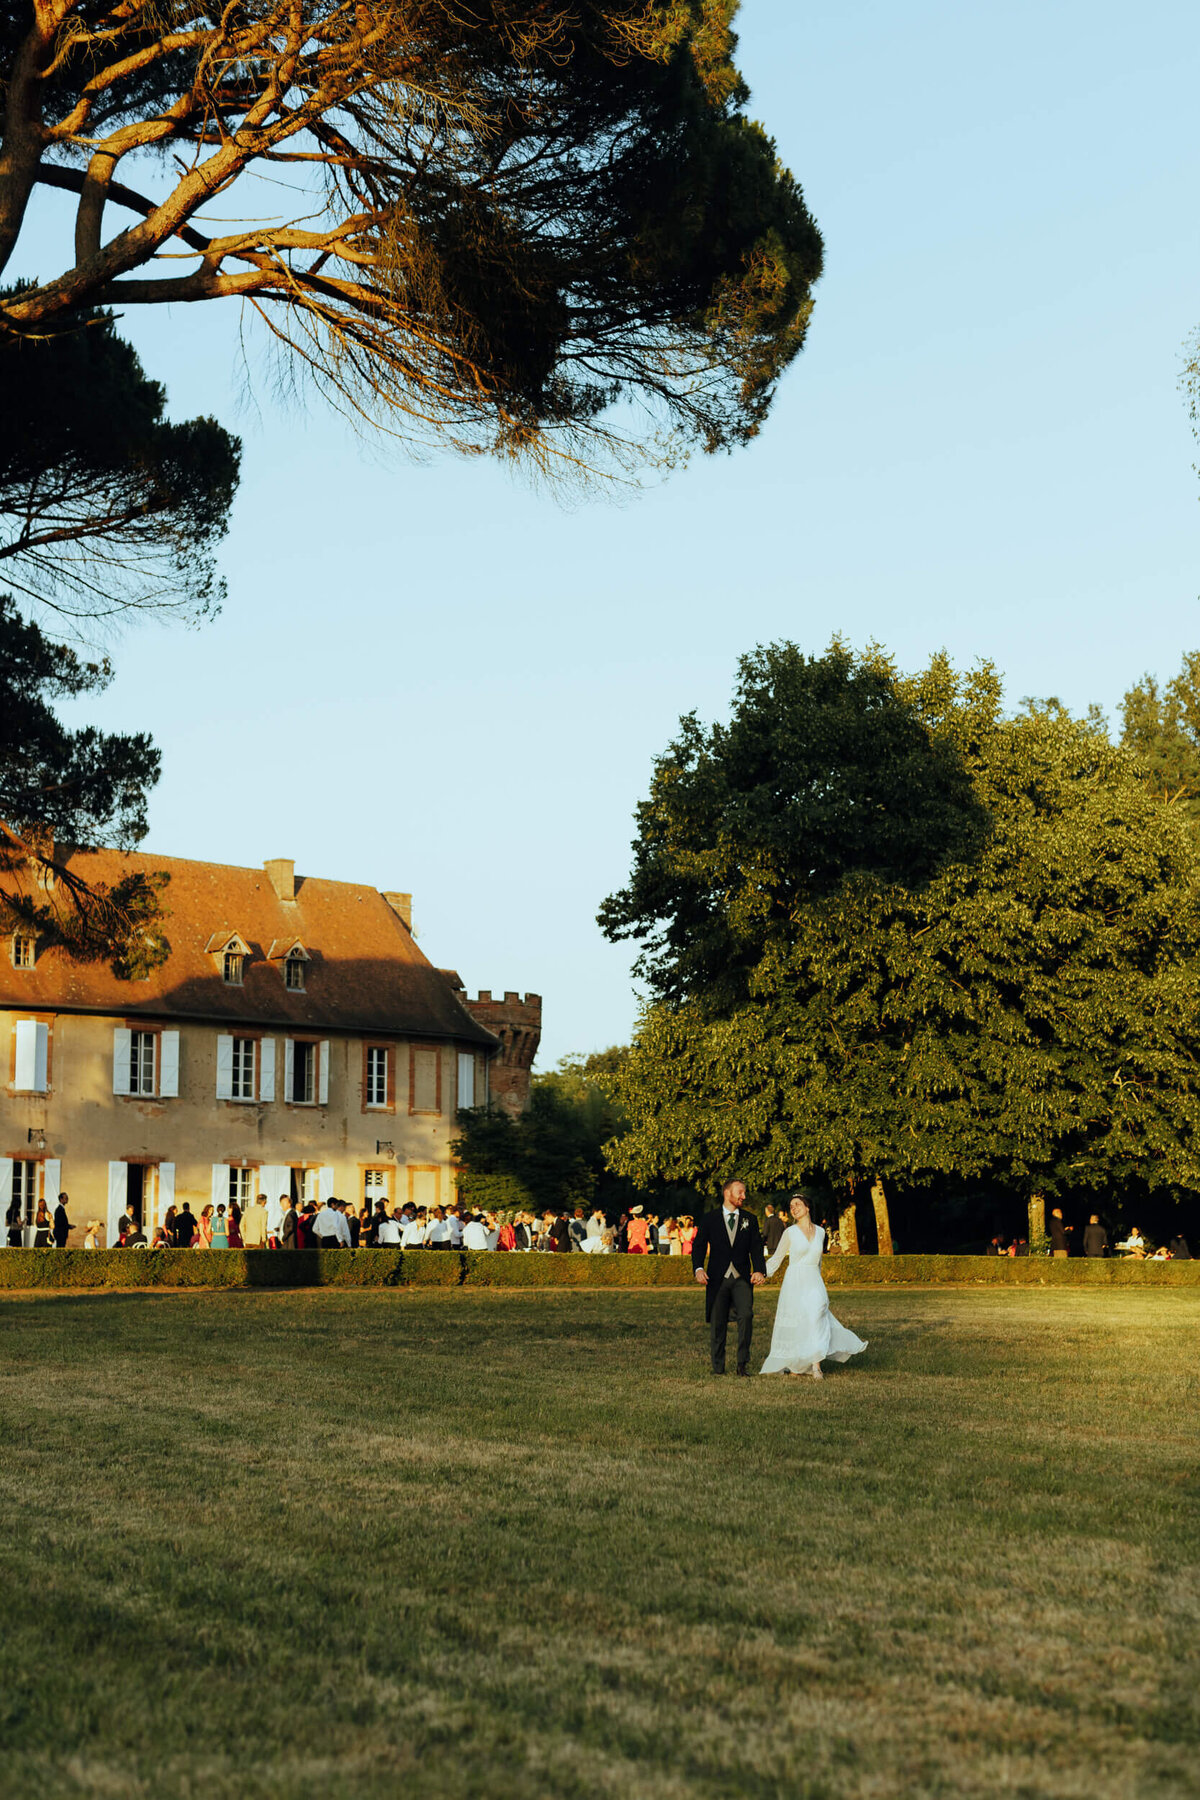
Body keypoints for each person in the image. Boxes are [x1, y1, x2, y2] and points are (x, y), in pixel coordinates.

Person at [760, 1193, 868, 1379]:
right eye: (791, 1206)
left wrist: (819, 1283)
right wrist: (761, 1273)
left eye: (797, 1204)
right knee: (799, 1321)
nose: (793, 1208)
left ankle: (816, 1365)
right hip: (794, 1281)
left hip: (814, 1280)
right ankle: (797, 1364)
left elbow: (818, 1261)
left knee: (817, 1317)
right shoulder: (790, 1232)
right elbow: (776, 1259)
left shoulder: (821, 1232)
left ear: (807, 1207)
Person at [691, 1178, 766, 1376]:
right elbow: (698, 1245)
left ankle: (742, 1364)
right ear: (727, 1193)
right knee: (718, 1322)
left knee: (746, 1315)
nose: (744, 1196)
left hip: (742, 1278)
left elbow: (756, 1248)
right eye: (740, 1192)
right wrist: (698, 1268)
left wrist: (759, 1270)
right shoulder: (709, 1218)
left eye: (744, 1192)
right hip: (717, 1278)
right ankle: (718, 1367)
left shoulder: (750, 1219)